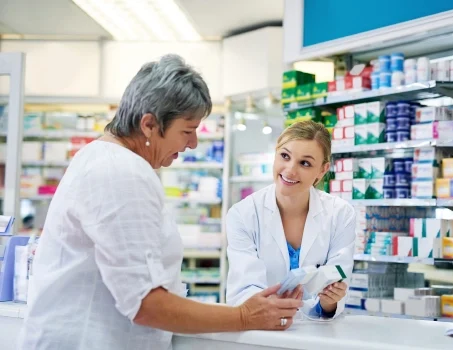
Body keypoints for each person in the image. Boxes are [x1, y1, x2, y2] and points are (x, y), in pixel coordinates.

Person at [19, 54, 302, 350]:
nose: (192, 144)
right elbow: (146, 304)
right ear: (150, 125)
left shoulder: (108, 161)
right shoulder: (120, 172)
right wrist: (244, 317)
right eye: (187, 131)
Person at [226, 120, 356, 319]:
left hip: (317, 333)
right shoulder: (243, 214)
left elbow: (335, 288)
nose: (290, 170)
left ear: (322, 170)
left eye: (305, 163)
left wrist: (329, 300)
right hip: (261, 330)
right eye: (285, 156)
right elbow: (243, 288)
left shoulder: (340, 214)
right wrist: (271, 305)